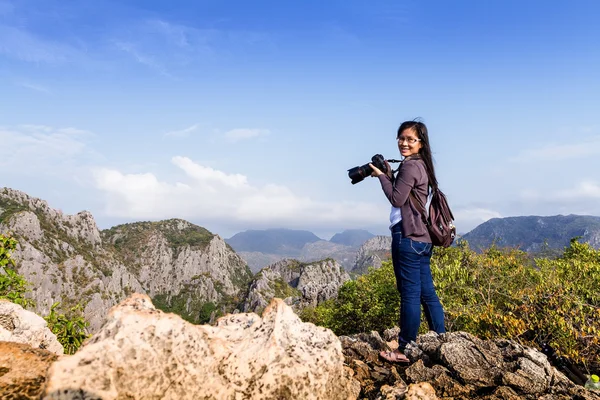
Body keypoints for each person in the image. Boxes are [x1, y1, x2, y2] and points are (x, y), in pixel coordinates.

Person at [369, 120, 446, 363]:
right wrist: (391, 175)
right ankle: (441, 339)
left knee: (410, 295)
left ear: (421, 143)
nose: (404, 143)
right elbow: (406, 194)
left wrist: (381, 176)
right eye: (401, 138)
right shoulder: (422, 165)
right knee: (427, 294)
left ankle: (403, 350)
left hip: (407, 235)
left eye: (410, 139)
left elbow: (396, 198)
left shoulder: (411, 166)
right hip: (422, 239)